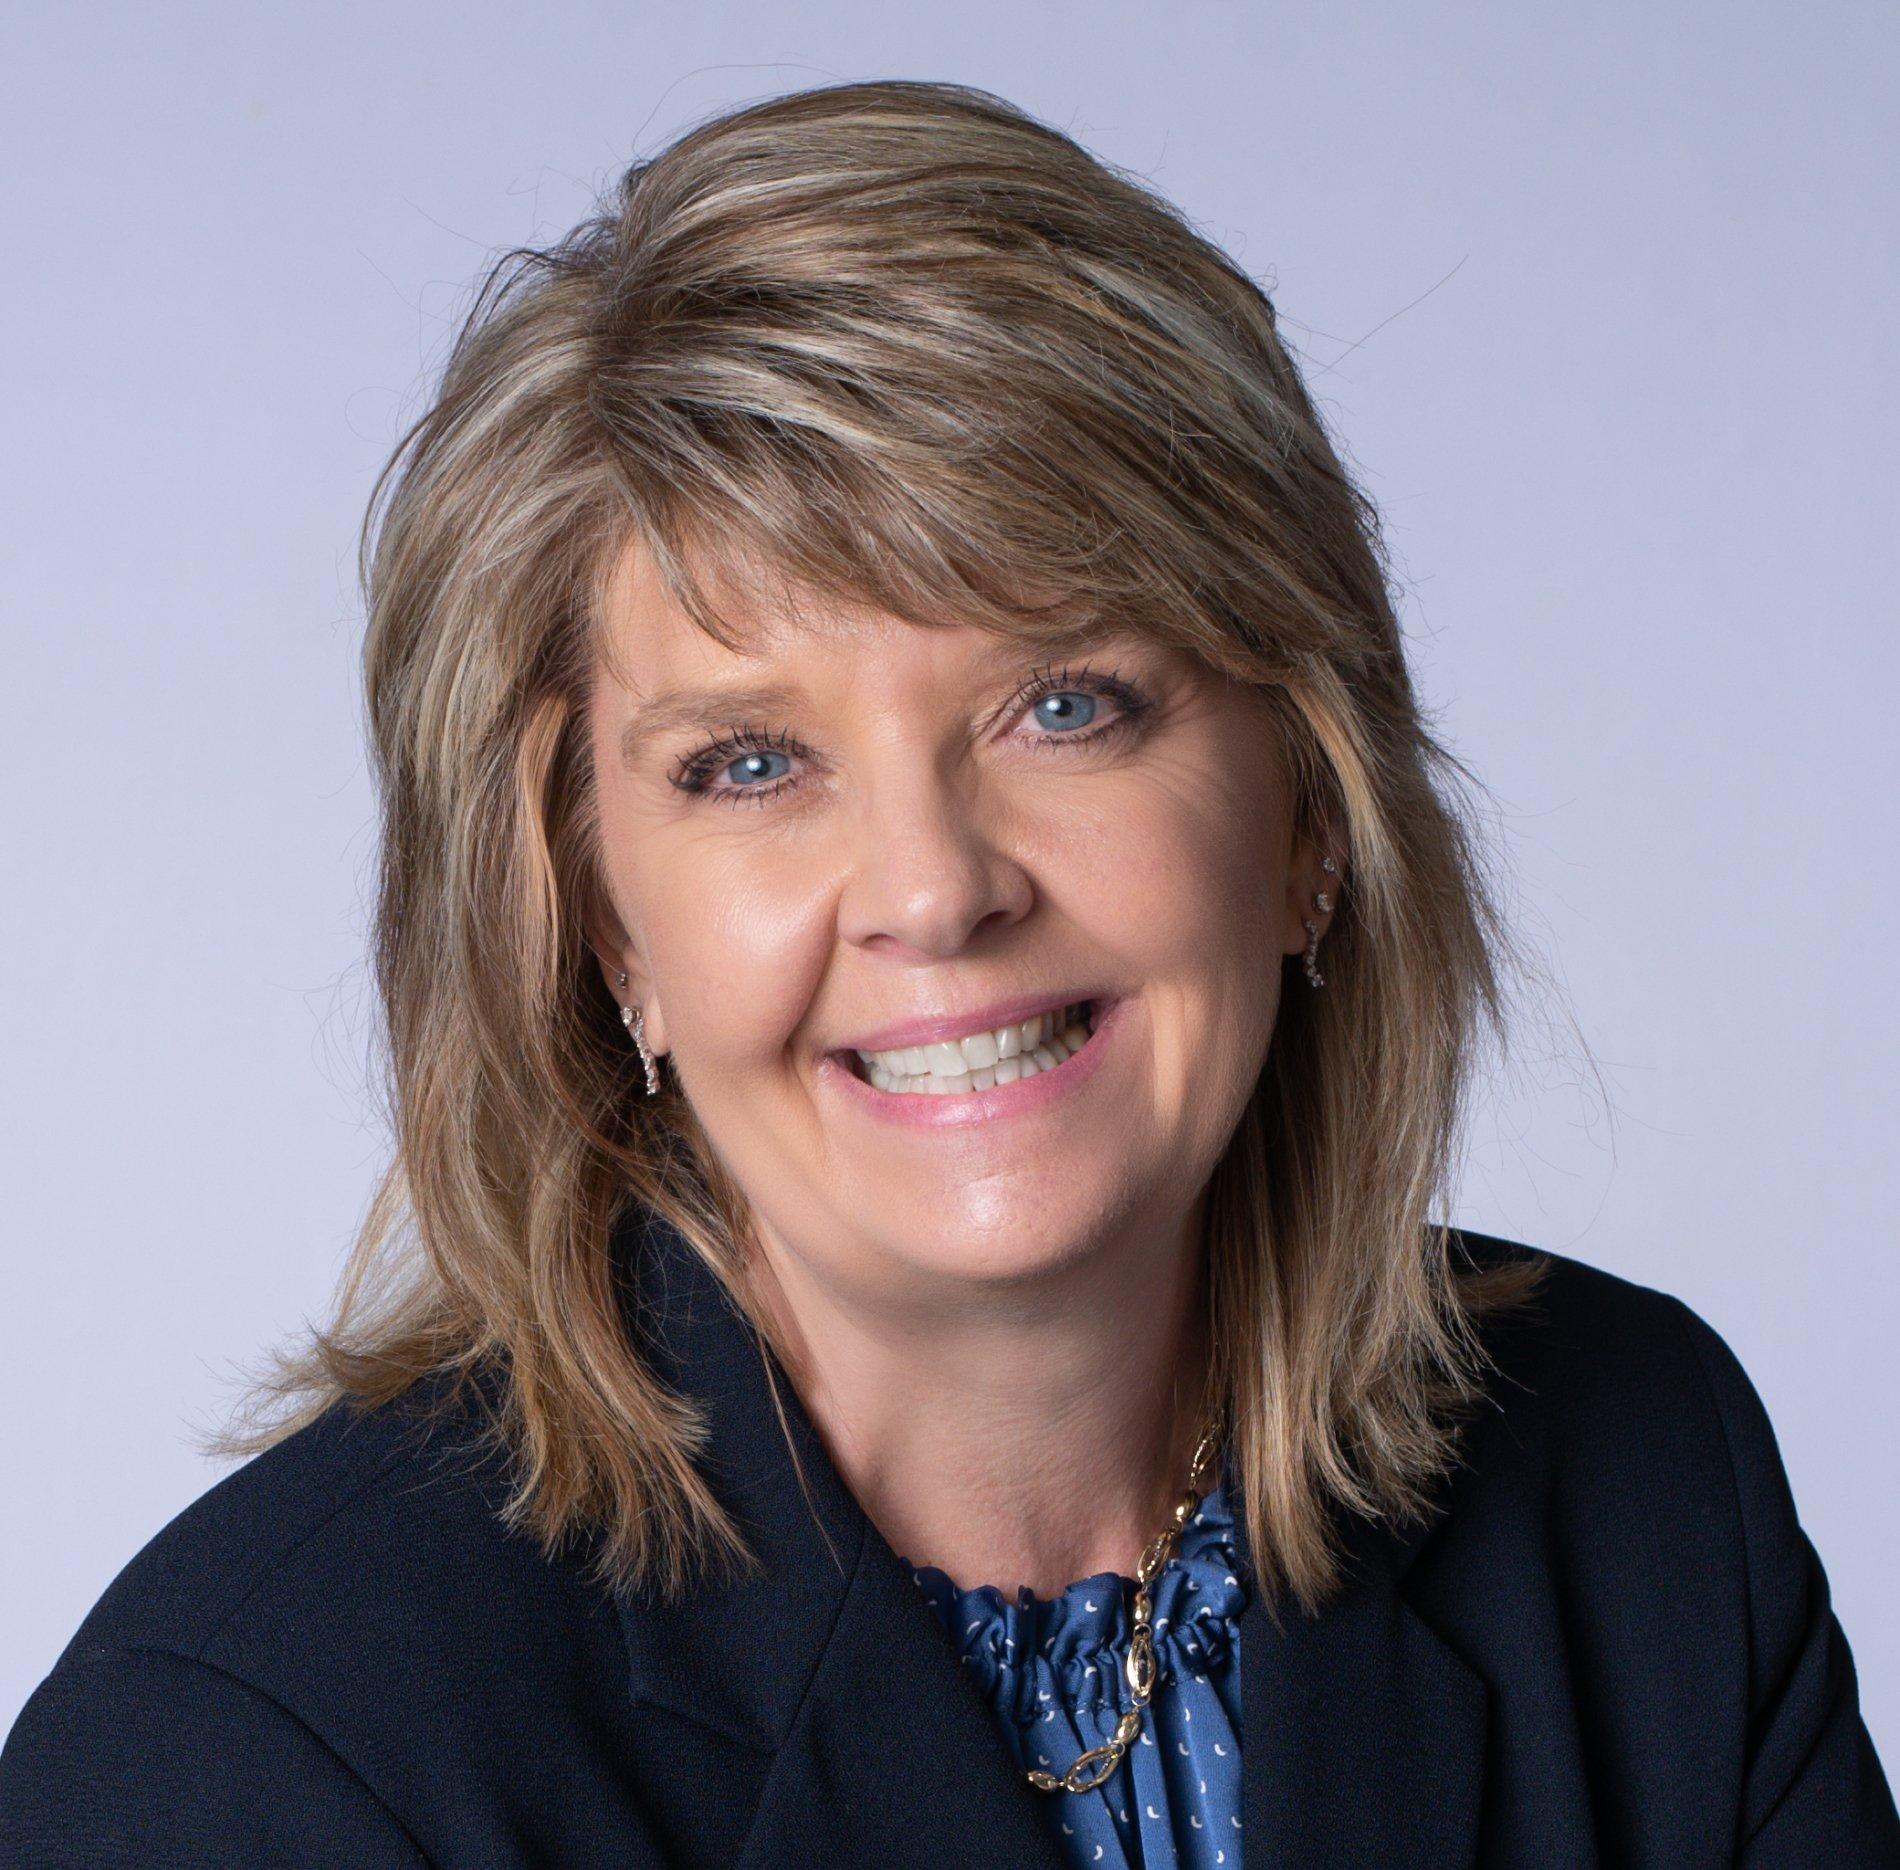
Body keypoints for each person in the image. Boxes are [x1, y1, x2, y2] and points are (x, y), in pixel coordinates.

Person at [2, 76, 1895, 1869]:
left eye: (1065, 703)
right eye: (750, 761)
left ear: (1311, 809)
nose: (932, 887)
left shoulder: (1642, 1490)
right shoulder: (256, 1755)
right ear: (600, 929)